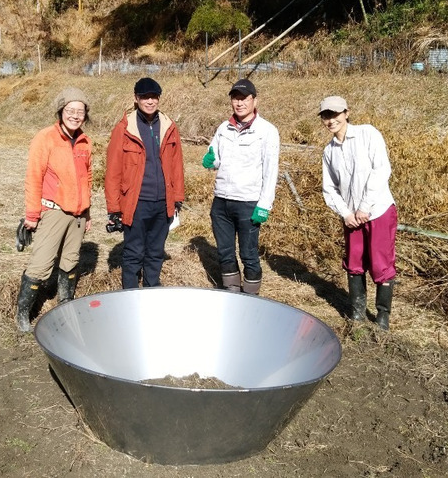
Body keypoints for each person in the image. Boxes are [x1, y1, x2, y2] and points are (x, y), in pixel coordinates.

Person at [16, 87, 93, 332]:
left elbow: (87, 178)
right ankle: (23, 314)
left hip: (78, 215)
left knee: (70, 262)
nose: (75, 116)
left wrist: (87, 212)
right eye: (70, 110)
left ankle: (65, 304)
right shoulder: (45, 138)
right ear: (61, 111)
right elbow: (33, 177)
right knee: (41, 265)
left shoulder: (85, 141)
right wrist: (32, 215)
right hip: (54, 211)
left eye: (80, 111)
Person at [318, 95, 398, 330]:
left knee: (381, 262)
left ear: (346, 113)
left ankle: (382, 316)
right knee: (354, 261)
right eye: (326, 116)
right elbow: (329, 187)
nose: (331, 120)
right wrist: (346, 213)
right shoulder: (329, 151)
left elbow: (381, 170)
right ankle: (357, 312)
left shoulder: (368, 134)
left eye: (335, 114)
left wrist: (365, 206)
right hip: (352, 217)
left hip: (378, 210)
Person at [201, 78, 280, 295]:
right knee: (225, 252)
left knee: (249, 254)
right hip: (222, 201)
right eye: (235, 98)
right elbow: (216, 157)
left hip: (248, 202)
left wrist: (264, 204)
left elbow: (271, 170)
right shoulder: (223, 128)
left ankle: (251, 297)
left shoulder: (267, 131)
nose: (239, 103)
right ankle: (232, 292)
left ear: (254, 100)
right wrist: (211, 160)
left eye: (244, 98)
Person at [105, 77, 185, 288]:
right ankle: (130, 295)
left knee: (156, 252)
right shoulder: (124, 128)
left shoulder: (169, 127)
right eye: (145, 97)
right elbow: (113, 170)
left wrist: (177, 197)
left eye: (154, 97)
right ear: (136, 98)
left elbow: (177, 165)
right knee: (133, 252)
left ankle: (152, 291)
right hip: (136, 201)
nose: (150, 101)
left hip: (163, 201)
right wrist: (114, 207)